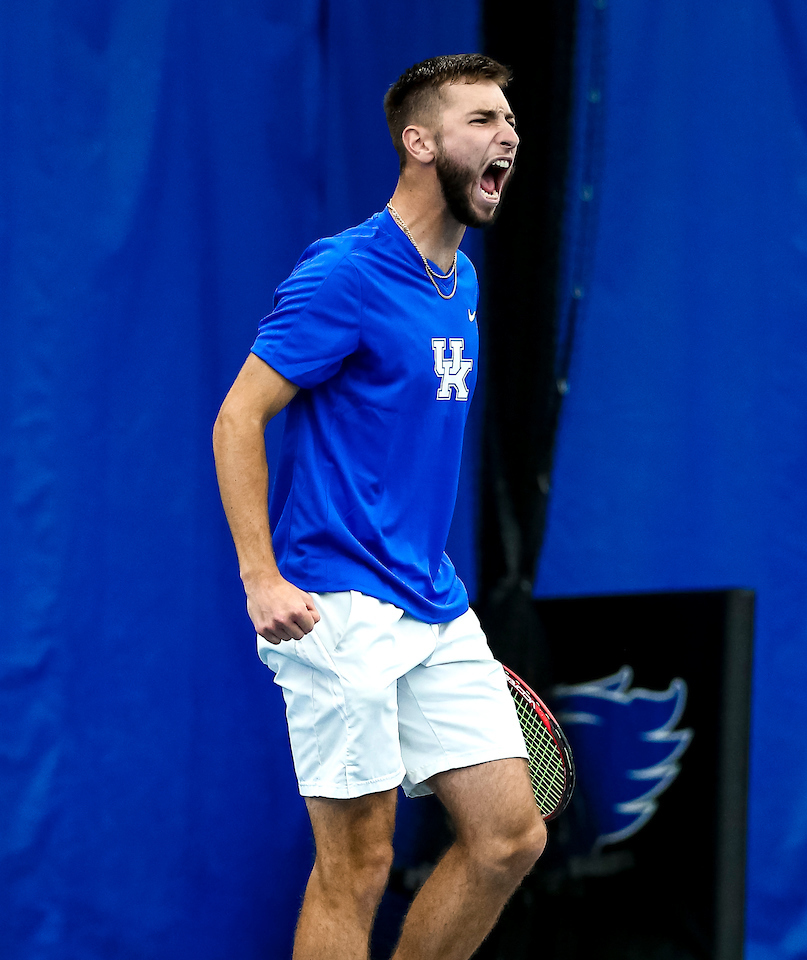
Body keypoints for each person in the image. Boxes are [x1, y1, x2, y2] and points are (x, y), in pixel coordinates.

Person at [212, 54, 543, 960]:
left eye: (509, 120)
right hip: (339, 607)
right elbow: (238, 418)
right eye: (481, 119)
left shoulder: (461, 283)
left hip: (432, 600)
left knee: (509, 837)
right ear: (419, 140)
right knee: (355, 870)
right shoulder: (346, 273)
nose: (506, 134)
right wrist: (260, 578)